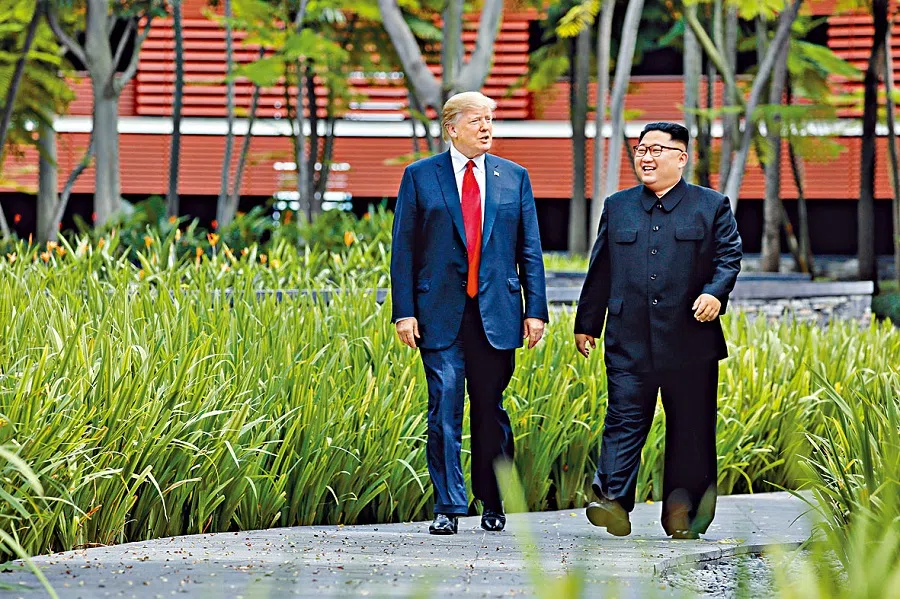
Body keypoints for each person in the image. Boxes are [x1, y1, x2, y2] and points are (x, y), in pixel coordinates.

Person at [390, 91, 549, 535]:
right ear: (452, 127)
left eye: (491, 119)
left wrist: (535, 311)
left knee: (490, 410)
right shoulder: (420, 177)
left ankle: (492, 498)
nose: (487, 127)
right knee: (443, 407)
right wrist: (404, 311)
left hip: (497, 313)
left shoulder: (514, 177)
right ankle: (448, 504)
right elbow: (403, 249)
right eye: (478, 120)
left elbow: (529, 250)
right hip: (438, 313)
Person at [574, 122, 742, 539]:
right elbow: (601, 270)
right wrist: (587, 324)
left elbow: (728, 257)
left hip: (690, 340)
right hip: (628, 339)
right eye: (641, 150)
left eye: (656, 150)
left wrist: (715, 294)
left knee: (690, 428)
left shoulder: (712, 205)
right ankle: (610, 501)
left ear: (681, 158)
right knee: (624, 419)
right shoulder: (618, 206)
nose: (645, 158)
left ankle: (683, 518)